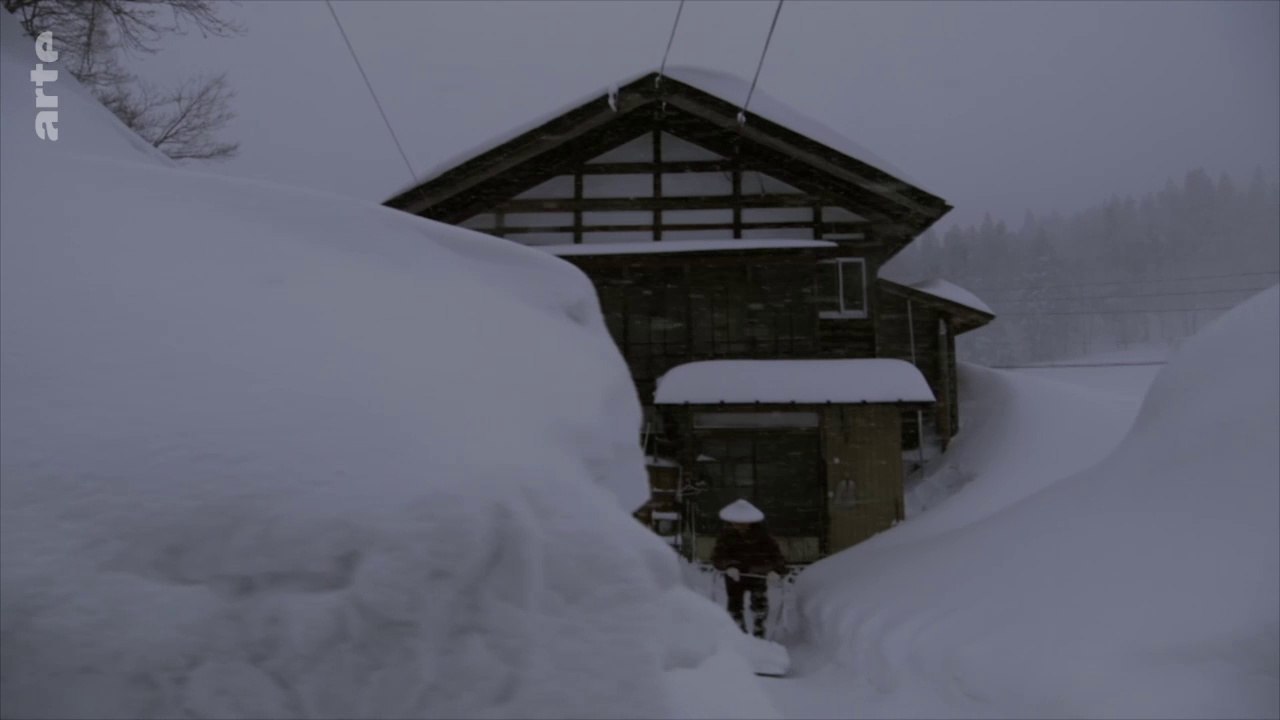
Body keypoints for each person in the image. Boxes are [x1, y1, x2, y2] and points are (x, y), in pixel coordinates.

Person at [711, 499, 787, 638]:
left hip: (758, 575)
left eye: (742, 523)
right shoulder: (726, 537)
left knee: (759, 605)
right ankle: (739, 636)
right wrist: (729, 566)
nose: (739, 526)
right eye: (736, 523)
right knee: (734, 607)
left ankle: (760, 634)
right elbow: (717, 558)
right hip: (735, 577)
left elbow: (777, 558)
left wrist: (775, 570)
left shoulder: (764, 537)